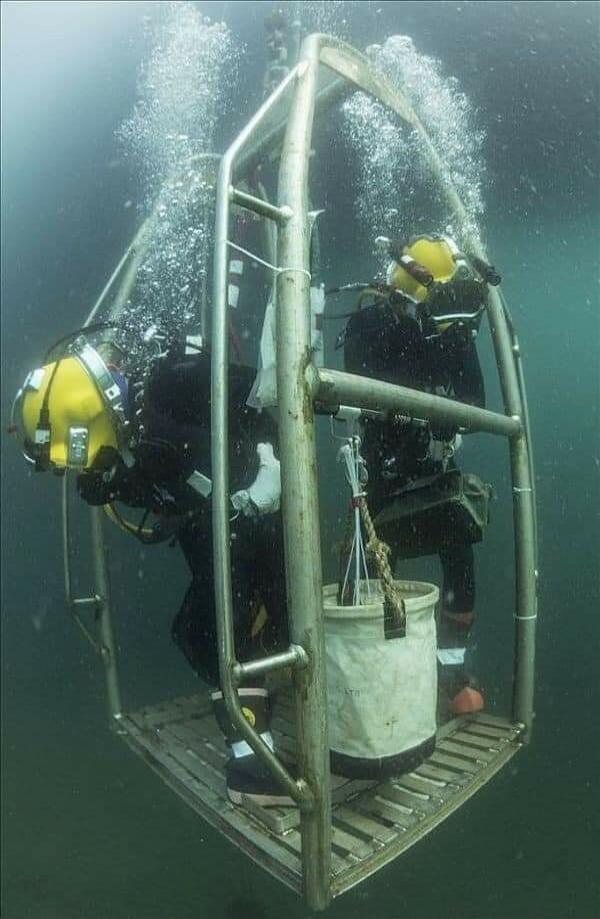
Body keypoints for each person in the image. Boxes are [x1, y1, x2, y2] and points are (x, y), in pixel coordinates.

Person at [10, 331, 292, 806]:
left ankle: (257, 747)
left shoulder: (178, 385)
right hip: (212, 529)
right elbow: (145, 477)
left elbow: (270, 397)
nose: (82, 472)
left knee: (232, 626)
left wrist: (272, 467)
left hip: (257, 518)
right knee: (205, 632)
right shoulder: (123, 444)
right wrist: (112, 483)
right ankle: (255, 743)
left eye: (77, 460)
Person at [340, 233, 500, 716]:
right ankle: (370, 665)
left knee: (460, 553)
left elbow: (474, 402)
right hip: (383, 466)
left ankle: (450, 671)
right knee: (376, 556)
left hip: (433, 460)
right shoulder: (371, 321)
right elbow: (366, 376)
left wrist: (455, 333)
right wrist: (428, 334)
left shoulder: (450, 330)